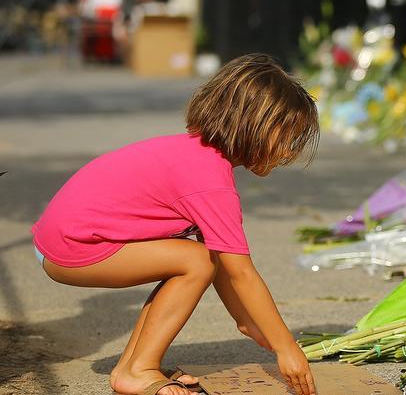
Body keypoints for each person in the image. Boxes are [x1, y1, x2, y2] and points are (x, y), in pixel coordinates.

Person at [31, 54, 321, 395]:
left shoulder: (197, 155)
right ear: (255, 128)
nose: (288, 152)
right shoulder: (211, 181)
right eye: (287, 138)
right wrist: (286, 347)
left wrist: (245, 320)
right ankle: (140, 369)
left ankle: (131, 368)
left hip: (61, 239)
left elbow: (223, 263)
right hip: (73, 246)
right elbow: (241, 272)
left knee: (197, 256)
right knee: (193, 260)